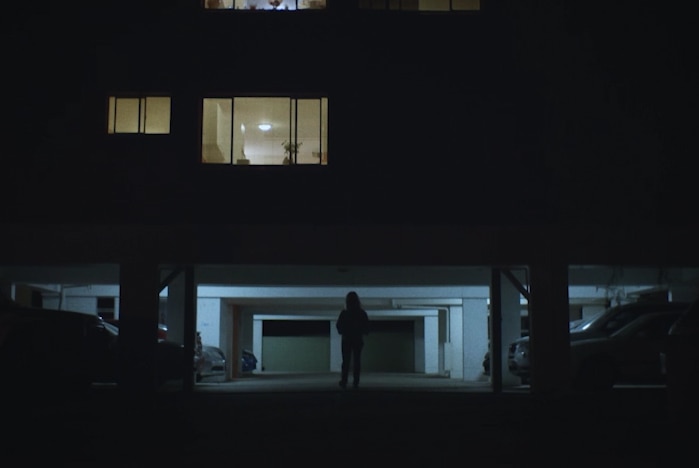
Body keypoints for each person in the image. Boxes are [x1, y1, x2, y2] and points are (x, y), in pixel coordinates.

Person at [336, 291, 369, 389]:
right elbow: (366, 327)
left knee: (346, 361)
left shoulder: (344, 313)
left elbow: (339, 326)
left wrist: (344, 331)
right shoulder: (361, 313)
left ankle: (344, 380)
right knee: (357, 360)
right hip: (357, 339)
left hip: (346, 339)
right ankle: (356, 381)